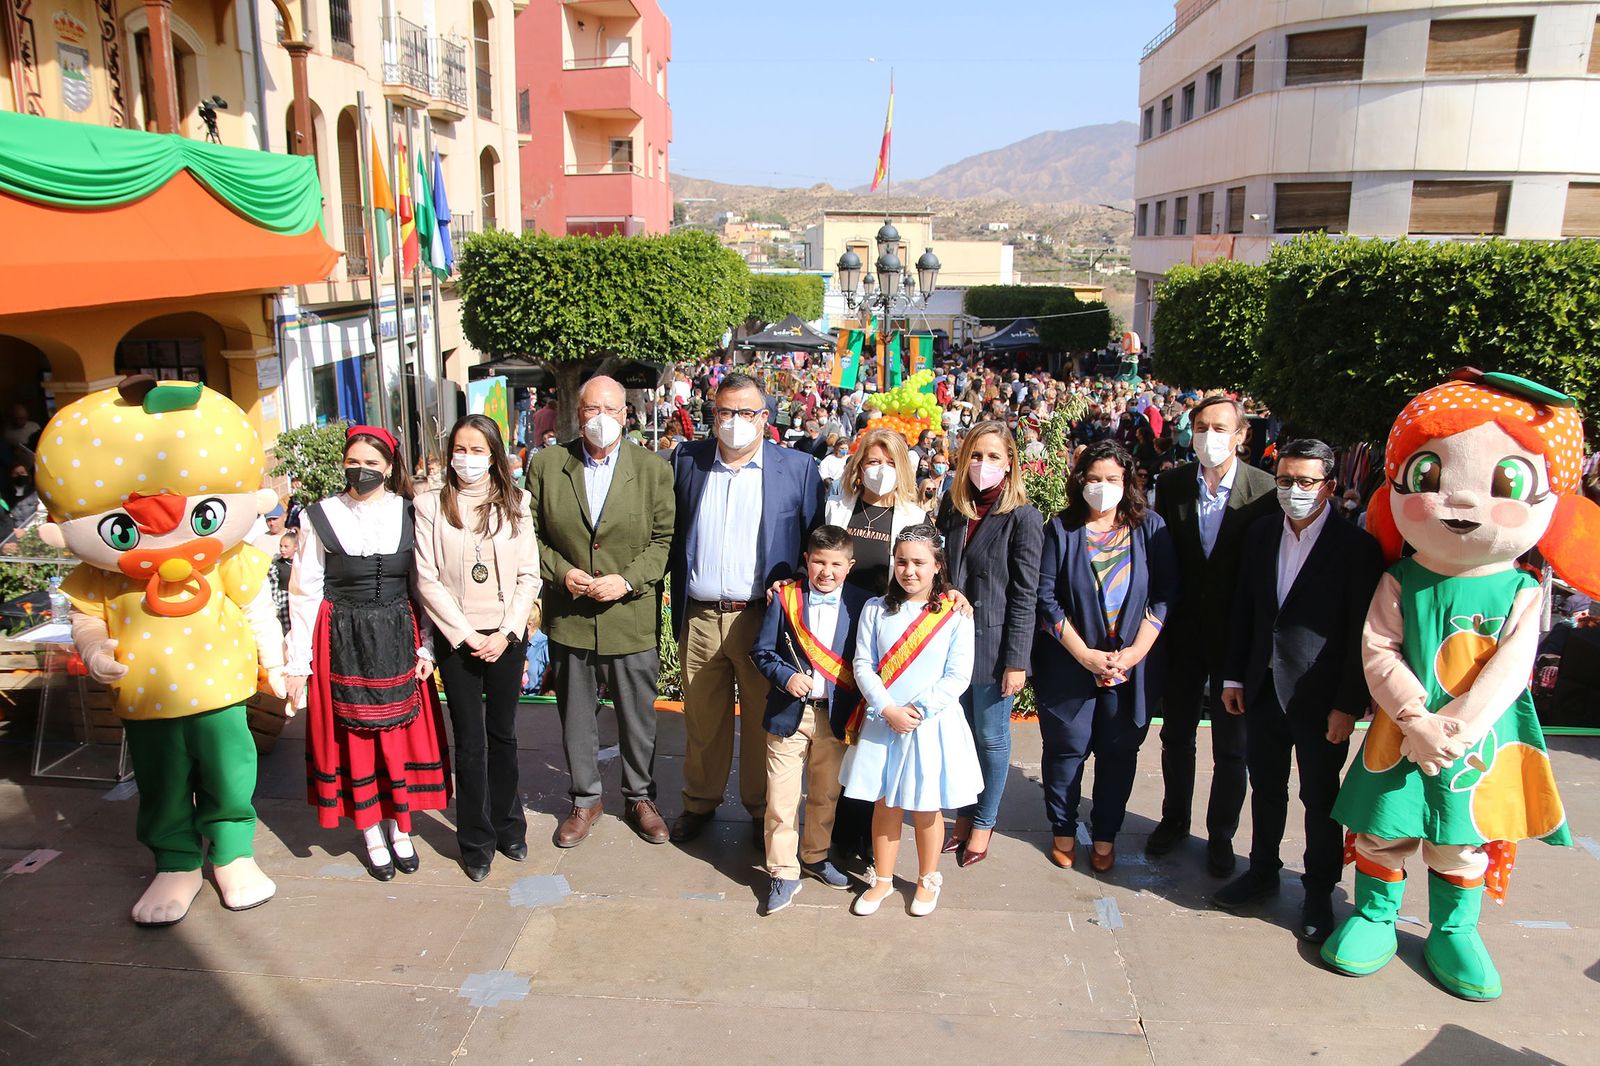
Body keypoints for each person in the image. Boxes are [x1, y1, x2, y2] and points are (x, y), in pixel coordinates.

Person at [1321, 372, 1594, 1001]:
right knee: (1387, 827)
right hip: (1402, 727)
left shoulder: (1524, 589)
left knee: (1461, 836)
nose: (1460, 502)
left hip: (1482, 737)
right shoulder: (1401, 579)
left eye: (1505, 484)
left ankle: (1455, 929)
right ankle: (1374, 914)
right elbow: (1378, 647)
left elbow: (1512, 665)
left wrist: (1460, 727)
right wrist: (1416, 717)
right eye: (1428, 478)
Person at [1214, 438, 1384, 942]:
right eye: (1285, 480)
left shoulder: (1356, 548)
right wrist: (1233, 676)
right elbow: (1245, 607)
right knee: (1266, 789)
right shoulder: (1263, 533)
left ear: (1329, 487)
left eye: (1305, 482)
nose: (1293, 491)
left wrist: (1347, 705)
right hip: (1262, 689)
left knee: (1320, 799)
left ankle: (1318, 891)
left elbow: (1362, 633)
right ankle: (1262, 871)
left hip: (1320, 699)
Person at [286, 426, 451, 882]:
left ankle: (402, 827)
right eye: (353, 463)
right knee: (355, 738)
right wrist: (299, 660)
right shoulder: (321, 515)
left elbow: (423, 584)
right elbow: (304, 589)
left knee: (395, 736)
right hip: (342, 635)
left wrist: (427, 643)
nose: (361, 472)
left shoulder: (410, 512)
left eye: (372, 465)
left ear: (390, 468)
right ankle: (371, 831)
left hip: (398, 630)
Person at [667, 373, 821, 845]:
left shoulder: (796, 469)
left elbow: (813, 541)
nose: (735, 422)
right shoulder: (687, 461)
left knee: (761, 722)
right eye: (725, 413)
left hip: (763, 619)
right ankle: (699, 802)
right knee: (703, 719)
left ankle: (760, 810)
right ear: (713, 416)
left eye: (746, 413)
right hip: (700, 615)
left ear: (765, 419)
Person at [526, 376, 675, 848]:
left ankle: (640, 797)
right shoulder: (549, 465)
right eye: (592, 410)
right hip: (570, 614)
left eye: (612, 409)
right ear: (578, 413)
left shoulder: (652, 469)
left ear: (626, 414)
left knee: (637, 717)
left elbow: (663, 540)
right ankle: (585, 799)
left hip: (630, 616)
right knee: (576, 716)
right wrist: (561, 571)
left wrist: (628, 580)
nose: (601, 419)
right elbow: (530, 535)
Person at [1147, 395, 1278, 875]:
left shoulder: (1264, 491)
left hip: (1235, 640)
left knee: (1232, 747)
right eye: (1201, 426)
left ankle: (1220, 835)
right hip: (1182, 636)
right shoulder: (1173, 483)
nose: (1209, 436)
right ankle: (1173, 819)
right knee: (1176, 735)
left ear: (1241, 434)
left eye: (1220, 427)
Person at [1034, 441, 1177, 872]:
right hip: (1070, 663)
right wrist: (1085, 655)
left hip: (1131, 665)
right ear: (1080, 482)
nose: (1102, 487)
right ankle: (1062, 827)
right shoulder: (1062, 529)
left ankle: (1105, 833)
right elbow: (1046, 598)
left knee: (1119, 751)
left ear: (1127, 482)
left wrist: (1133, 654)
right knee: (1066, 748)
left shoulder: (1150, 527)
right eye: (1094, 478)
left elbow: (1166, 594)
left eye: (1112, 479)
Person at [413, 414, 543, 881]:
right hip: (458, 637)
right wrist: (466, 635)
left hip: (505, 637)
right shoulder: (431, 505)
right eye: (460, 450)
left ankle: (510, 826)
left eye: (477, 450)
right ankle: (475, 839)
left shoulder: (516, 503)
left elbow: (529, 574)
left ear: (494, 455)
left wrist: (507, 632)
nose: (467, 459)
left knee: (503, 737)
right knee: (469, 743)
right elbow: (426, 577)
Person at [840, 525, 979, 918]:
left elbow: (958, 675)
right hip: (884, 719)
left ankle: (927, 877)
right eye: (901, 561)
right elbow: (863, 663)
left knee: (925, 806)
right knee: (885, 802)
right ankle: (882, 879)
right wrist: (887, 708)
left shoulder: (955, 613)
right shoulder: (874, 608)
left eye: (919, 562)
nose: (909, 570)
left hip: (930, 724)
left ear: (938, 565)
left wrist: (916, 712)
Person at [821, 427, 932, 862]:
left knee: (874, 734)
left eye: (888, 462)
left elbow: (924, 575)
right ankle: (840, 831)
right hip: (837, 630)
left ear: (901, 466)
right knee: (843, 733)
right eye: (872, 461)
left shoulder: (913, 516)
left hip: (887, 637)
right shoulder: (838, 505)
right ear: (858, 464)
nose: (879, 470)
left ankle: (870, 837)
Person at [935, 421, 1043, 866]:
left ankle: (984, 821)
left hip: (995, 647)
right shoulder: (954, 506)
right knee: (960, 737)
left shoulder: (1022, 516)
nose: (983, 465)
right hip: (950, 645)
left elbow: (1025, 594)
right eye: (976, 456)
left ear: (1010, 462)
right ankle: (963, 813)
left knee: (991, 738)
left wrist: (1016, 660)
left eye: (993, 456)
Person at [749, 525, 870, 915]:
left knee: (825, 795)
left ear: (849, 566)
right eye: (819, 561)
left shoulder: (863, 603)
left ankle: (815, 857)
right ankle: (783, 872)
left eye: (836, 564)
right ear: (807, 560)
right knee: (782, 800)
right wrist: (786, 676)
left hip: (834, 717)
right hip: (789, 714)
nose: (826, 571)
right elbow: (763, 651)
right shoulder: (785, 598)